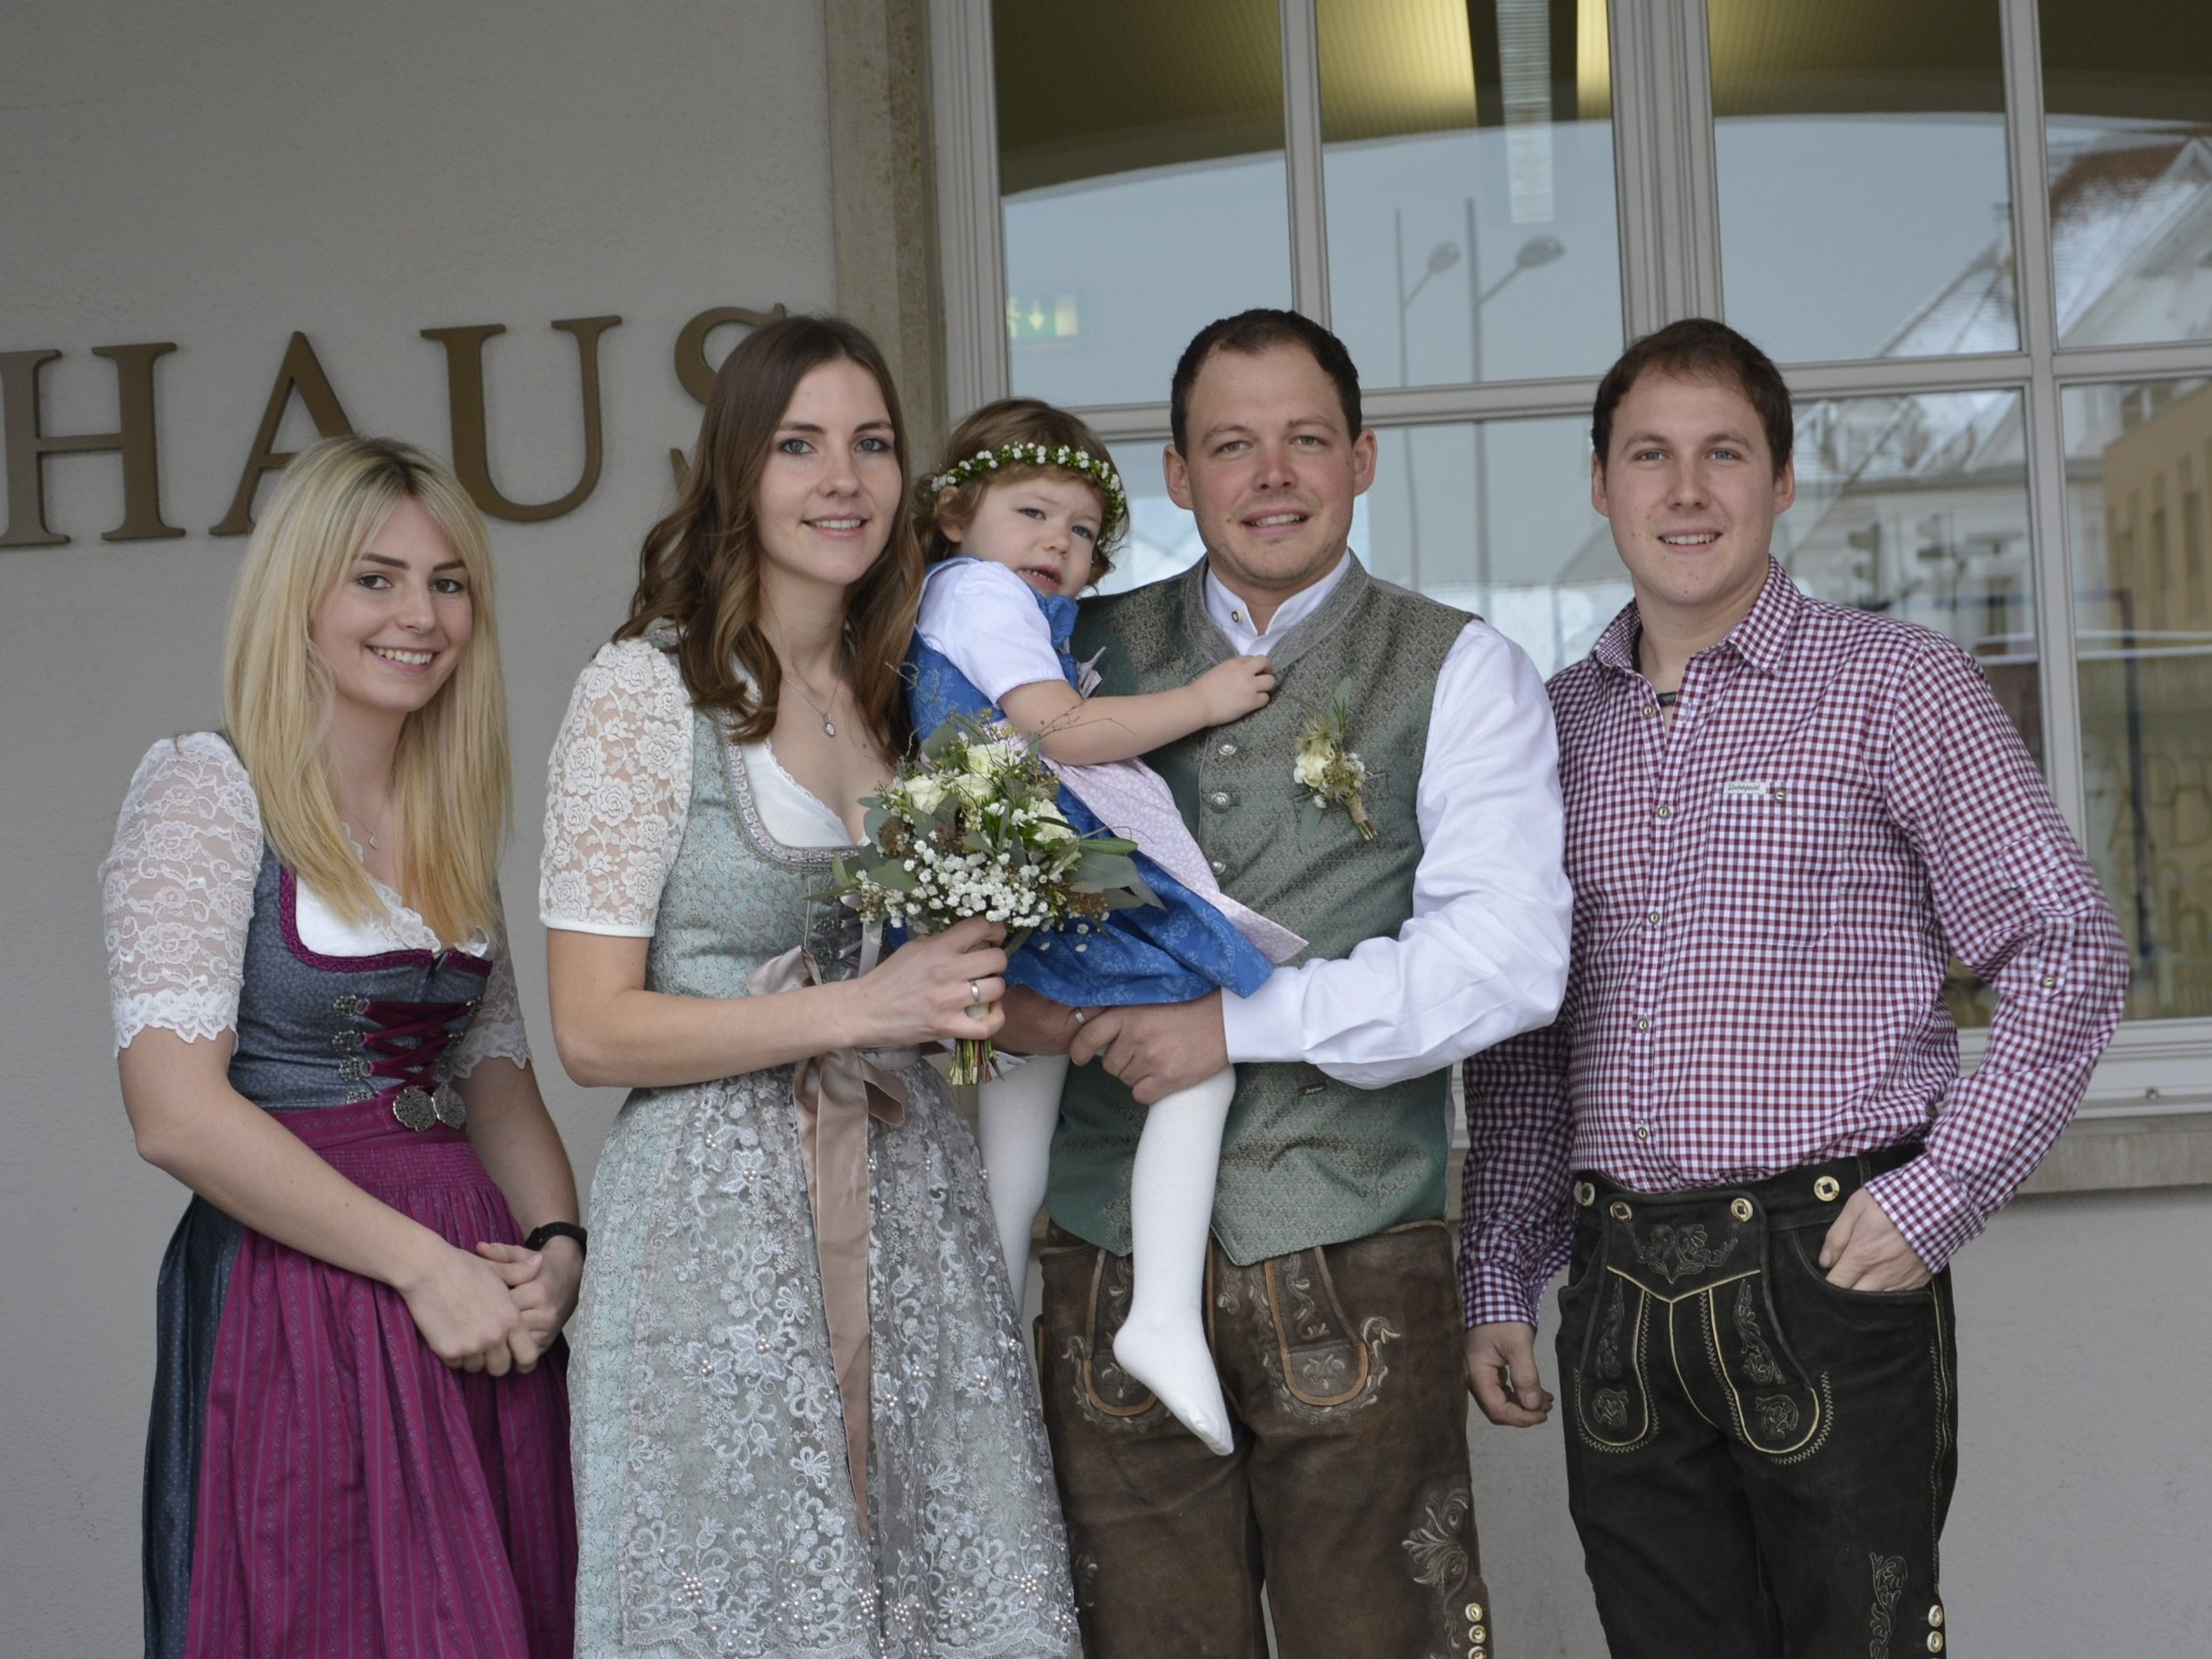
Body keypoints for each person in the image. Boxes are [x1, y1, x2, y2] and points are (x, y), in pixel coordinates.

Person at [1460, 318, 2131, 1657]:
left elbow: (2068, 940)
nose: (1686, 489)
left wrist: (1938, 1194)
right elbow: (1523, 1037)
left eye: (1724, 454)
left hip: (1821, 1264)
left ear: (1780, 480)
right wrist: (1493, 1274)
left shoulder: (1896, 685)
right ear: (1600, 484)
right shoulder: (1542, 726)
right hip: (1615, 1290)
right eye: (1650, 455)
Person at [995, 308, 1573, 1659]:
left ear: (1362, 458)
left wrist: (1233, 1023)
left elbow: (1504, 959)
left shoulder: (1458, 667)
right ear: (1177, 474)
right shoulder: (1060, 657)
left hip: (1358, 1255)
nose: (1271, 474)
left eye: (1305, 440)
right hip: (1103, 1258)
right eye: (1231, 445)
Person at [542, 315, 1080, 1658]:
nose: (841, 479)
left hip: (912, 1206)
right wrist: (862, 1006)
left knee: (953, 1590)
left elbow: (960, 971)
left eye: (872, 444)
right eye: (799, 445)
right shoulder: (644, 691)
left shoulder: (909, 694)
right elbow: (590, 1028)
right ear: (736, 471)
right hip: (714, 1238)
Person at [101, 435, 581, 1659]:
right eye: (375, 578)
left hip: (476, 1289)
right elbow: (174, 1111)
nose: (418, 614)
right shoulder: (208, 788)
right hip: (309, 1285)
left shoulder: (445, 810)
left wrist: (555, 1249)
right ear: (299, 598)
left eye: (448, 582)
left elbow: (495, 1076)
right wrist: (425, 1268)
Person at [907, 396, 1306, 1456]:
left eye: (1082, 532)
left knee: (1016, 1112)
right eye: (1033, 511)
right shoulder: (984, 594)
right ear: (954, 515)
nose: (1058, 544)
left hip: (1003, 872)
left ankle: (983, 1330)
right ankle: (1161, 1312)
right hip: (1046, 865)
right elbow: (1065, 731)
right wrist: (1206, 698)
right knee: (1197, 1047)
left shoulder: (964, 595)